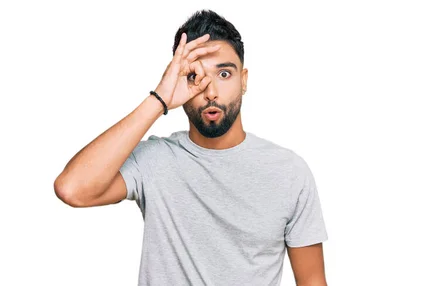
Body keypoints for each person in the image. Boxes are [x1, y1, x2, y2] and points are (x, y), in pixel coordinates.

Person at [54, 9, 328, 286]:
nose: (210, 92)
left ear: (243, 80)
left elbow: (313, 281)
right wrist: (159, 99)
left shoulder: (289, 172)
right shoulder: (154, 160)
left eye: (224, 73)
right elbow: (72, 188)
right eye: (195, 76)